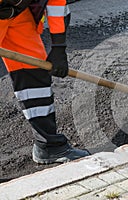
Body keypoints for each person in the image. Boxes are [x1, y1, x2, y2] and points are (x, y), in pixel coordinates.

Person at [0, 0, 90, 164]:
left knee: (34, 72)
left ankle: (48, 145)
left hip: (18, 14)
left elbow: (57, 3)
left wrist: (59, 47)